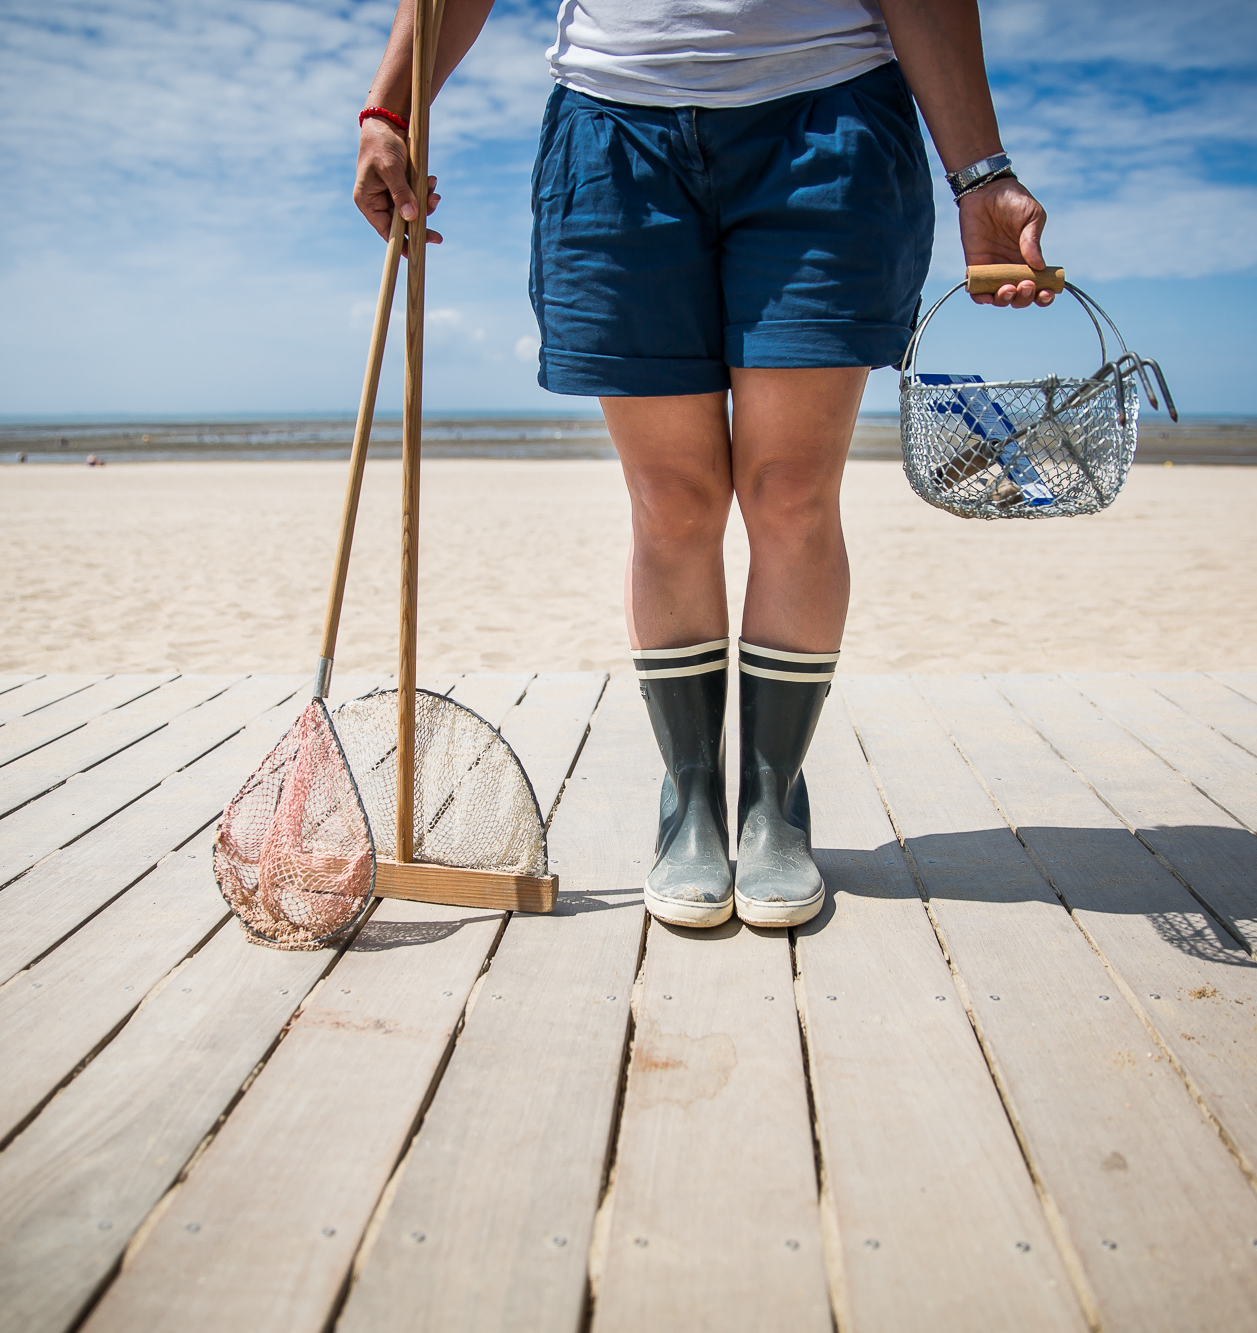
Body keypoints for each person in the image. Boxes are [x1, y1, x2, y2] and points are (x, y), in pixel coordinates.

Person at [356, 0, 1053, 929]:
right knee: (674, 502)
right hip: (613, 127)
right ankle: (690, 801)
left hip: (827, 120)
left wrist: (981, 172)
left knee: (792, 495)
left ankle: (771, 804)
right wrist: (389, 110)